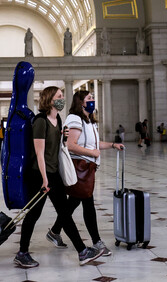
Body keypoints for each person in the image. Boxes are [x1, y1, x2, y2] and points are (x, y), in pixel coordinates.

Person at [14, 86, 103, 268]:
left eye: (62, 96)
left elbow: (57, 148)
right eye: (59, 96)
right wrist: (45, 180)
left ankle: (82, 251)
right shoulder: (40, 121)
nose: (62, 99)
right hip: (40, 175)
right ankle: (22, 253)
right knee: (33, 214)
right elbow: (39, 154)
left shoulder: (58, 119)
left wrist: (63, 138)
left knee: (64, 213)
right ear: (50, 99)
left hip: (54, 173)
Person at [49, 90, 124, 258]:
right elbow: (70, 145)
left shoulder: (89, 120)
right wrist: (92, 153)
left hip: (87, 168)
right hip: (80, 168)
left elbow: (95, 144)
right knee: (88, 204)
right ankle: (97, 242)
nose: (93, 100)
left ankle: (55, 231)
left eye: (93, 98)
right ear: (80, 102)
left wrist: (112, 145)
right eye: (89, 98)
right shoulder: (75, 119)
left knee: (75, 201)